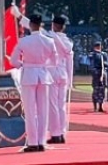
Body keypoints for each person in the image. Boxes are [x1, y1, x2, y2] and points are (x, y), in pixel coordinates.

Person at [15, 12, 74, 144]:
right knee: (61, 105)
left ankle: (55, 133)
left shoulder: (49, 36)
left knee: (52, 105)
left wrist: (19, 16)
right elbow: (70, 60)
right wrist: (70, 79)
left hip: (51, 72)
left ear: (54, 25)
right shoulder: (68, 41)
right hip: (63, 74)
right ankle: (62, 132)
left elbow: (33, 27)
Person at [9, 14, 58, 152]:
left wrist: (23, 64)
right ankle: (41, 141)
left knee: (30, 111)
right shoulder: (49, 41)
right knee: (43, 111)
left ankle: (32, 142)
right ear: (41, 24)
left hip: (29, 74)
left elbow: (13, 61)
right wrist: (43, 64)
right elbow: (54, 62)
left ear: (30, 25)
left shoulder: (24, 41)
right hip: (43, 75)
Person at [89, 42, 108, 112]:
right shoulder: (93, 54)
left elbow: (107, 63)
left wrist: (104, 63)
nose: (99, 47)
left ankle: (100, 106)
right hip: (96, 74)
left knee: (102, 90)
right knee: (96, 90)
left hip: (103, 73)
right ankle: (95, 106)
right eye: (97, 46)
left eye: (99, 46)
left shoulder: (104, 54)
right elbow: (91, 64)